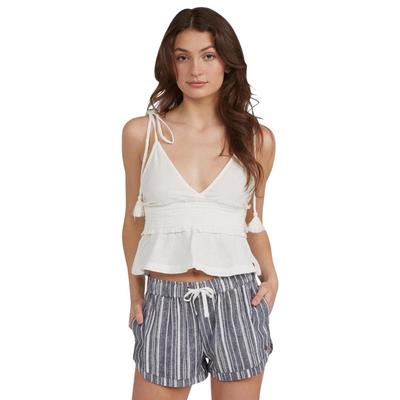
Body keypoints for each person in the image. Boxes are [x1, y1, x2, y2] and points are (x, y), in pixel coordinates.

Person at [122, 7, 278, 400]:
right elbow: (133, 221)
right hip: (166, 301)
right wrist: (136, 292)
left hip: (238, 299)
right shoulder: (142, 134)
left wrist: (272, 276)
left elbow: (253, 222)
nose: (196, 69)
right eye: (183, 56)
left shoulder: (257, 139)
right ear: (170, 63)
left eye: (208, 55)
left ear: (227, 62)